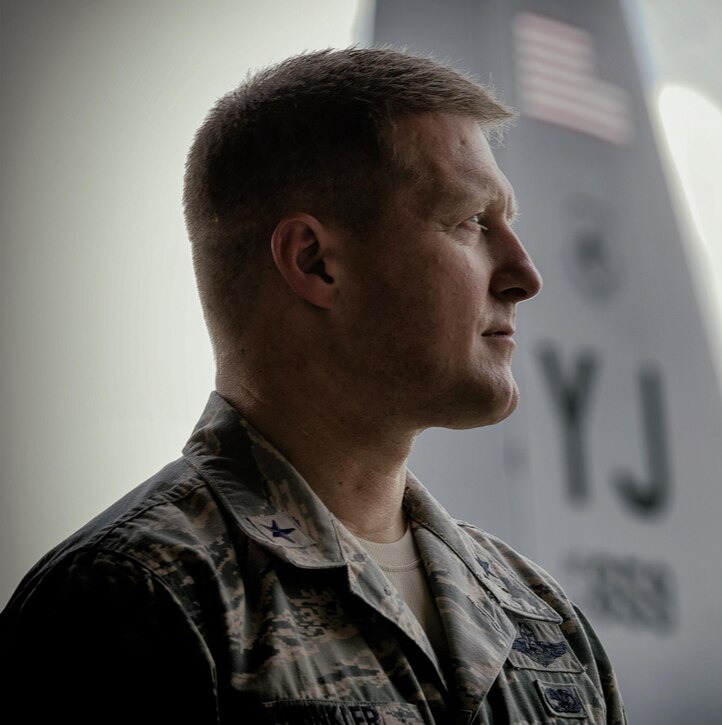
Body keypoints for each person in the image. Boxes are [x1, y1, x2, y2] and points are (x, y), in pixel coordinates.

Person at [0, 47, 625, 724]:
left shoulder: (544, 622)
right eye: (471, 221)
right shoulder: (132, 598)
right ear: (315, 261)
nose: (524, 275)